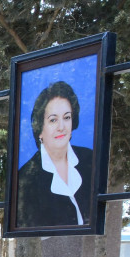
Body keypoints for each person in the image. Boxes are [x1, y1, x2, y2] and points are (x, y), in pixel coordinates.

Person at [15, 80, 94, 229]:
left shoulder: (90, 159)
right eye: (53, 120)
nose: (61, 127)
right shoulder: (26, 178)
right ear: (39, 128)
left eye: (67, 117)